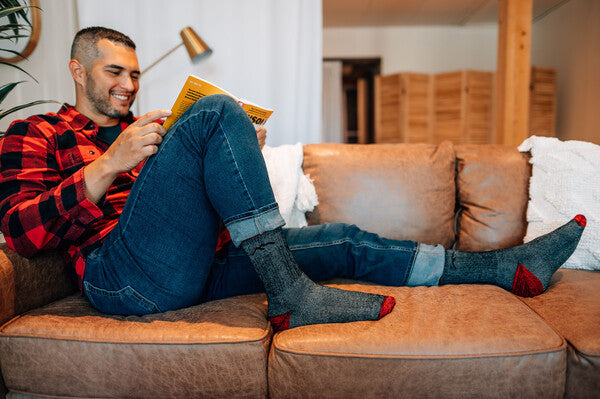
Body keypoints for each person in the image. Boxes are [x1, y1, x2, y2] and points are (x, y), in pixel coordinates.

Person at [0, 27, 586, 332]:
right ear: (78, 71)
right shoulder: (36, 132)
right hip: (120, 277)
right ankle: (292, 294)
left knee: (346, 240)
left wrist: (233, 155)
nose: (128, 84)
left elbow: (190, 210)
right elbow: (21, 233)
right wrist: (107, 163)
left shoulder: (151, 130)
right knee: (214, 111)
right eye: (113, 72)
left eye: (133, 72)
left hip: (197, 266)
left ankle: (506, 269)